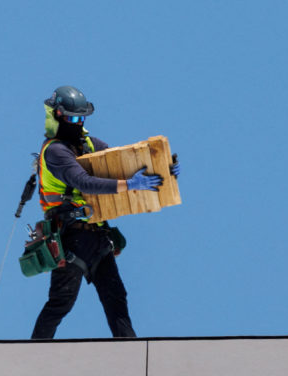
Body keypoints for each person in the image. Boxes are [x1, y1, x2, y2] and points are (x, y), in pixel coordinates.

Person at [30, 85, 180, 339]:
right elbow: (84, 182)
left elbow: (122, 163)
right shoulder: (55, 151)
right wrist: (130, 185)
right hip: (70, 238)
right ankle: (31, 352)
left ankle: (129, 348)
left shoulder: (89, 144)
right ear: (57, 116)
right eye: (73, 119)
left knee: (116, 297)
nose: (78, 123)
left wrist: (164, 169)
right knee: (61, 302)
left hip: (98, 235)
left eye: (82, 118)